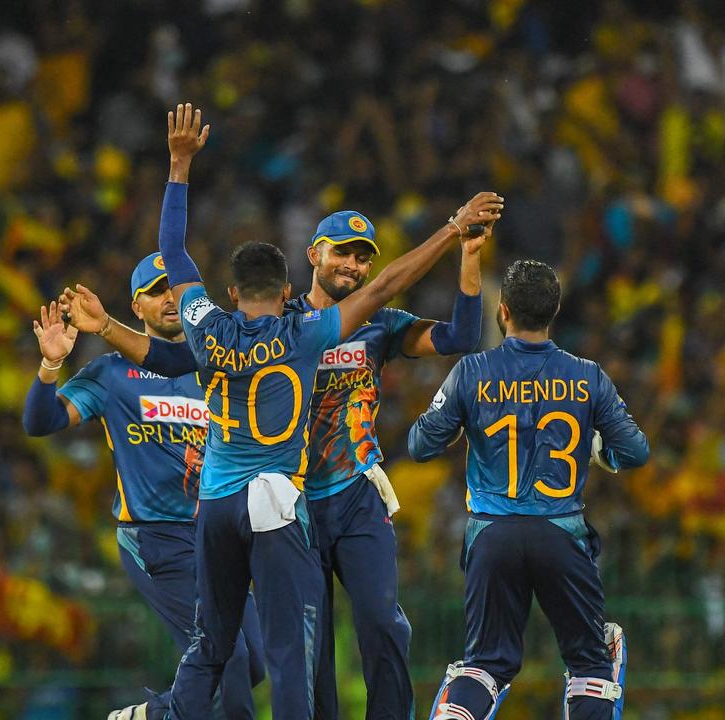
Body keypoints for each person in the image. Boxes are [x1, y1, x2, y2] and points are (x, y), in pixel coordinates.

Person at [106, 102, 502, 720]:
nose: (355, 263)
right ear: (305, 263)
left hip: (305, 492)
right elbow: (384, 289)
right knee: (300, 650)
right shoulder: (309, 332)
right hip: (288, 500)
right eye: (343, 251)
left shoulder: (214, 327)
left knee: (339, 630)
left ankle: (164, 714)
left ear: (234, 294)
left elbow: (455, 335)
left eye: (363, 254)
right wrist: (449, 230)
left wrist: (179, 167)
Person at [20, 255, 265, 719]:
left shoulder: (214, 369)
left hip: (216, 535)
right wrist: (51, 365)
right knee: (226, 653)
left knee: (253, 663)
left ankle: (152, 716)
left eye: (175, 287)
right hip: (156, 538)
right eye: (156, 291)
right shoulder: (112, 375)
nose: (170, 297)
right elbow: (41, 421)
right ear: (136, 307)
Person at [407, 259, 649, 720]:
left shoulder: (472, 370)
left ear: (503, 311)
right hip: (561, 532)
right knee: (591, 662)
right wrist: (601, 451)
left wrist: (459, 427)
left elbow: (419, 444)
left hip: (491, 534)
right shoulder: (588, 375)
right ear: (554, 312)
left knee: (484, 665)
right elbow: (636, 451)